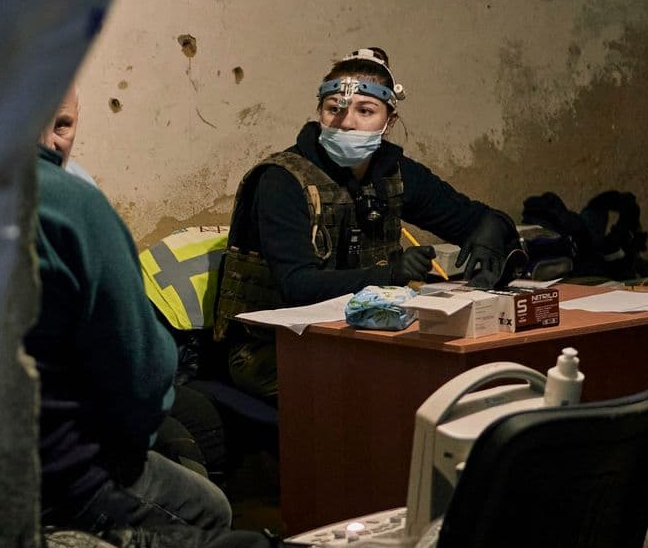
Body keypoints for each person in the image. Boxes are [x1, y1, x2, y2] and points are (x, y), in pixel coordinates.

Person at [214, 47, 519, 397]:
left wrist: (492, 226)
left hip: (368, 336)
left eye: (365, 111)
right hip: (274, 349)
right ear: (320, 112)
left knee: (467, 374)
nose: (347, 122)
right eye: (335, 109)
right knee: (388, 389)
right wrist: (391, 275)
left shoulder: (392, 171)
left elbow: (471, 219)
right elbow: (297, 287)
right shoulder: (282, 180)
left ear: (389, 120)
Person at [28, 94, 233, 534]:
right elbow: (142, 374)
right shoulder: (69, 202)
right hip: (45, 465)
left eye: (62, 126)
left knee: (197, 418)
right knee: (207, 508)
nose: (50, 142)